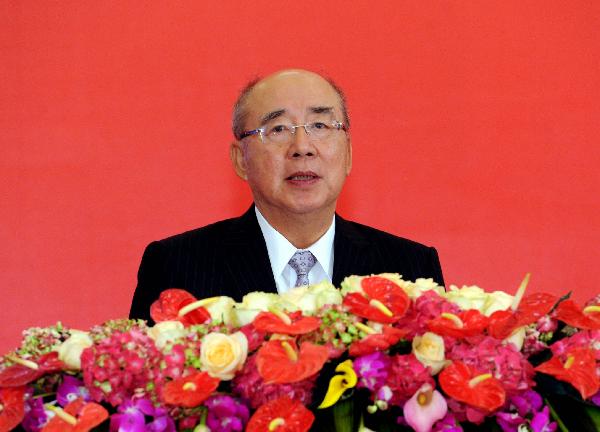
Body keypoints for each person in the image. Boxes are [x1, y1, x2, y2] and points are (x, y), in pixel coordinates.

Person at [129, 69, 444, 323]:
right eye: (278, 129)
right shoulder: (176, 266)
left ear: (348, 153)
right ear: (240, 160)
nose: (302, 147)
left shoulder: (410, 270)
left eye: (320, 125)